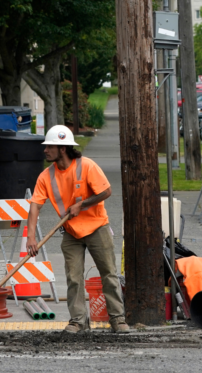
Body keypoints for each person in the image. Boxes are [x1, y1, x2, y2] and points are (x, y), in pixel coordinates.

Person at [26, 125, 129, 333]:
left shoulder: (87, 166)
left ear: (62, 148)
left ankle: (117, 319)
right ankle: (78, 321)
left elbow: (106, 191)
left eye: (49, 146)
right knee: (74, 277)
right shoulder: (45, 176)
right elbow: (35, 206)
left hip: (97, 227)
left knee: (108, 274)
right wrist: (30, 238)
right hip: (71, 232)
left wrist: (82, 205)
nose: (45, 150)